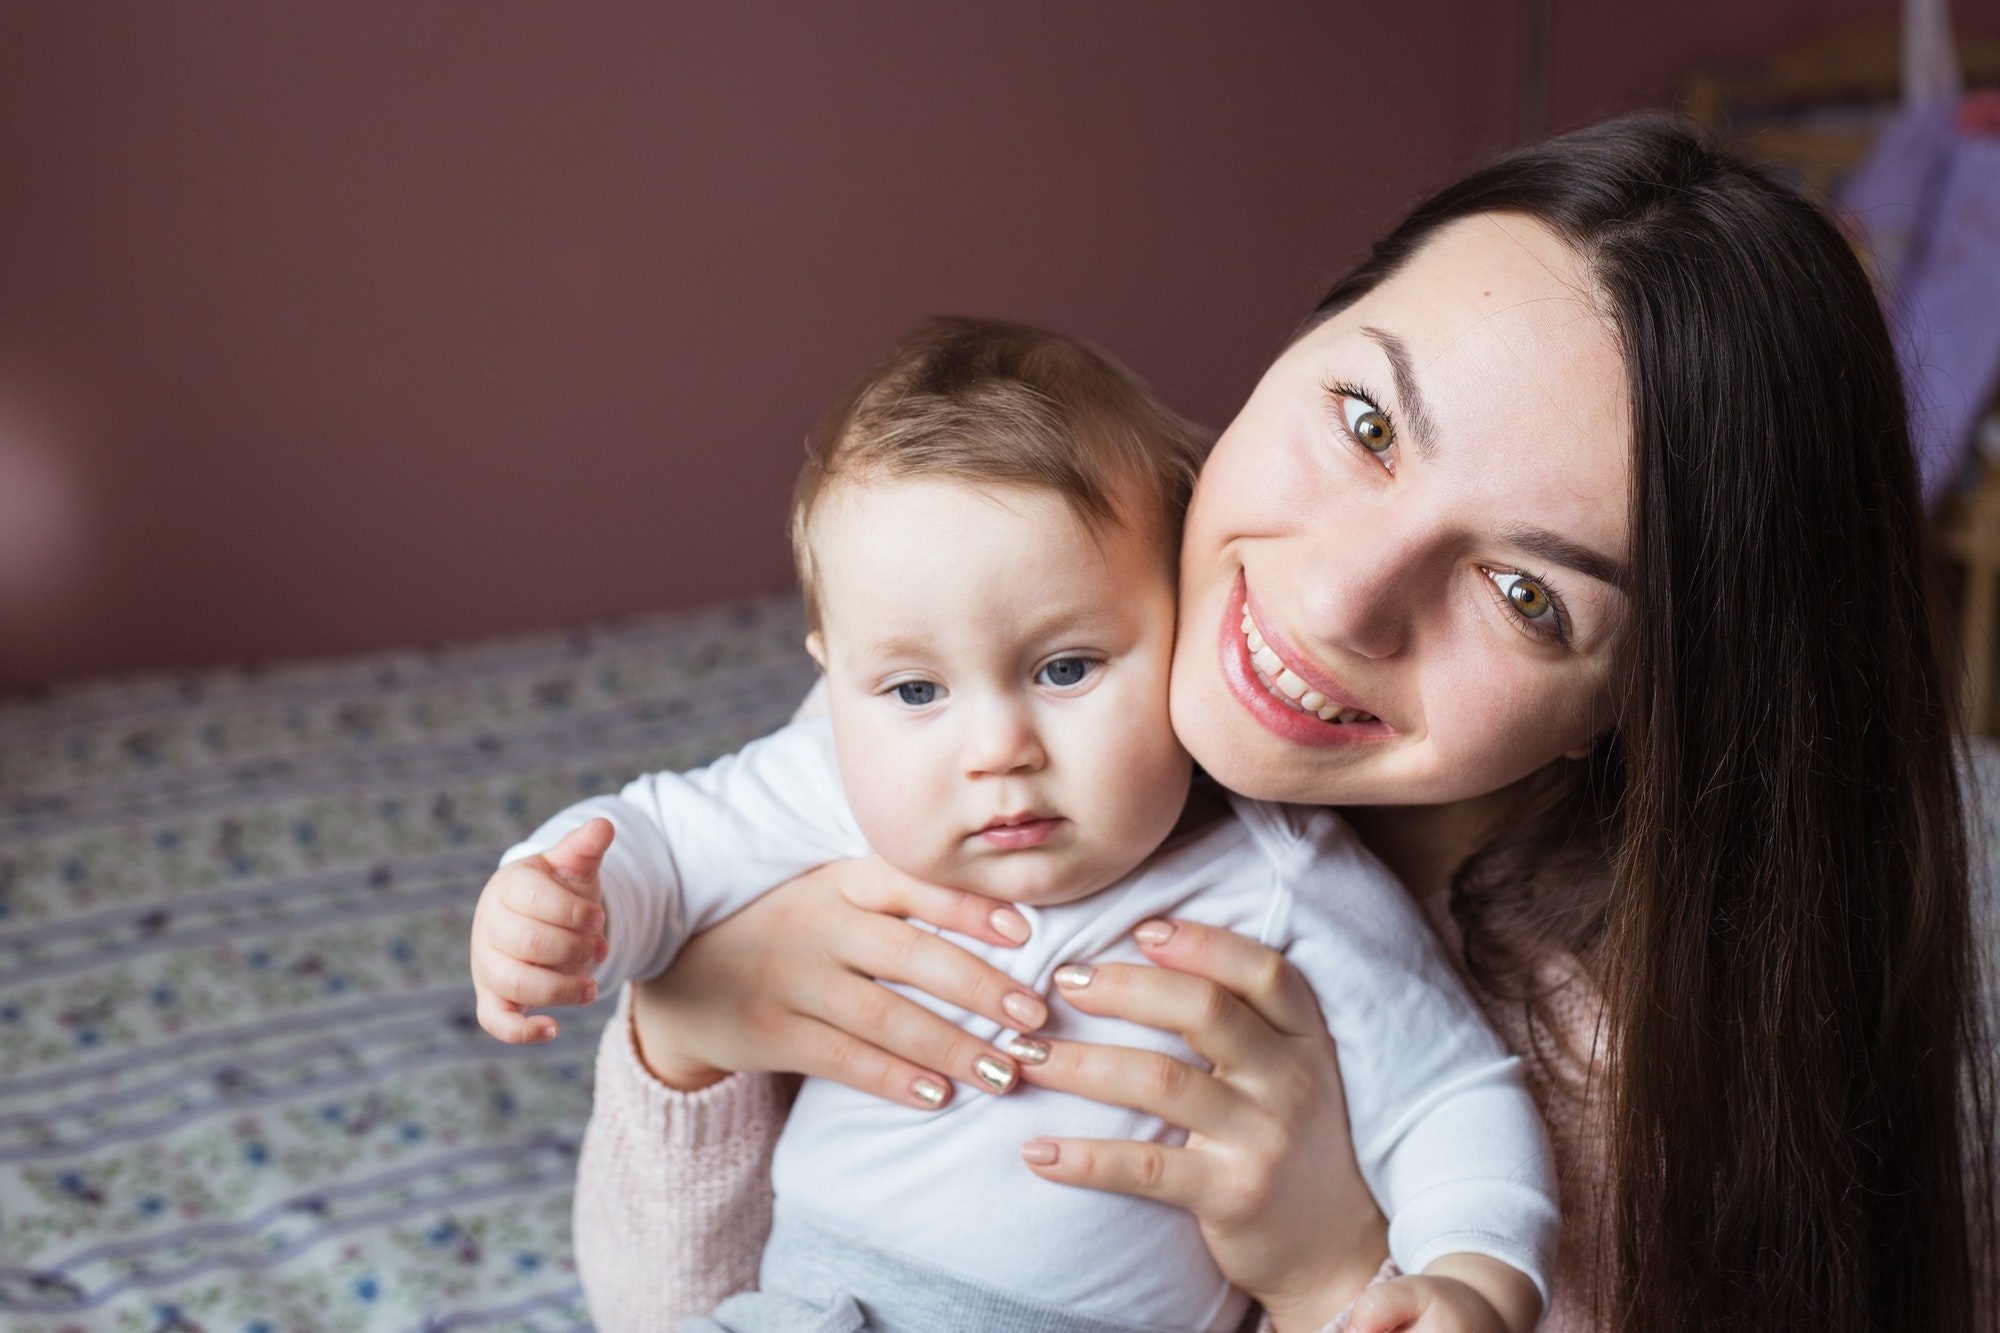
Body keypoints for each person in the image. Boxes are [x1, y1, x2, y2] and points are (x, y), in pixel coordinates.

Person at [559, 115, 1996, 1332]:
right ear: (1300, 339)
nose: (1336, 596)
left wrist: (1328, 1273)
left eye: (1523, 592)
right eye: (1368, 421)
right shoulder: (1011, 665)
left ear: (1640, 708)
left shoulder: (1619, 1091)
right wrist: (690, 1036)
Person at [474, 319, 1558, 1333]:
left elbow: (1448, 1099)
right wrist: (564, 898)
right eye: (911, 691)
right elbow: (655, 842)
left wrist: (1469, 1269)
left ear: (1178, 623)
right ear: (834, 679)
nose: (996, 747)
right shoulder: (830, 782)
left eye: (1066, 667)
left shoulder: (1279, 883)